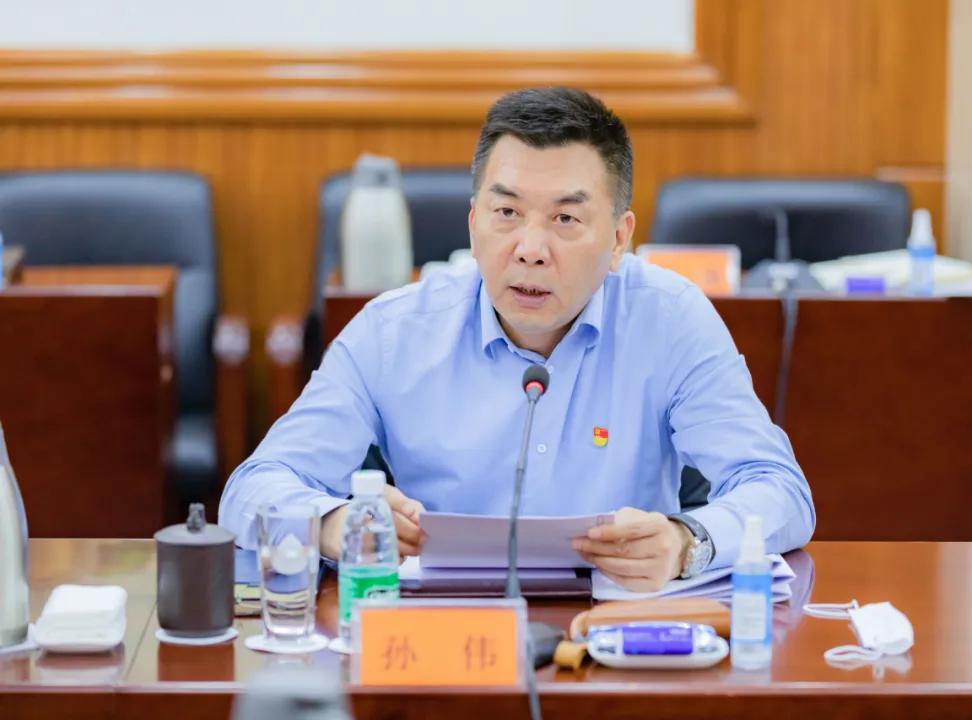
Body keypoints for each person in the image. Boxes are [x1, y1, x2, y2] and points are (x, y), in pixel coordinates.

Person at [220, 87, 814, 592]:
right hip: (444, 630)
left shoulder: (670, 319)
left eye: (565, 219)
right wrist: (333, 524)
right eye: (506, 213)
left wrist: (688, 541)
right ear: (473, 222)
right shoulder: (393, 332)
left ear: (618, 239)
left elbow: (779, 489)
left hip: (617, 634)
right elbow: (252, 489)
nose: (530, 249)